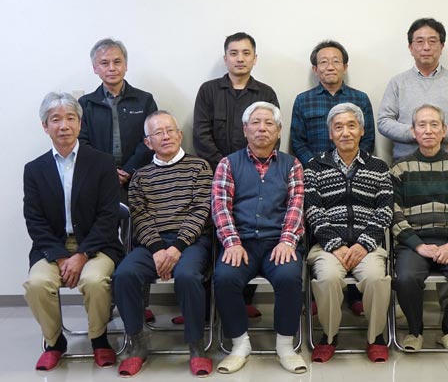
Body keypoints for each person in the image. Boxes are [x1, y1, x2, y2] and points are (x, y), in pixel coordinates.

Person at [23, 92, 124, 371]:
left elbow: (108, 216)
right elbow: (34, 220)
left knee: (94, 281)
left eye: (70, 118)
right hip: (52, 248)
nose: (64, 126)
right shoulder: (34, 169)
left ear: (80, 123)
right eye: (55, 120)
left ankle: (99, 339)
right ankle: (55, 342)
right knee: (36, 283)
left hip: (97, 245)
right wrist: (59, 256)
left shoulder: (102, 163)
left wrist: (82, 254)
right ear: (45, 126)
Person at [113, 111, 214, 377]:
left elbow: (201, 211)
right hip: (152, 245)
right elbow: (140, 217)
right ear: (148, 143)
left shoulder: (200, 167)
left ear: (180, 135)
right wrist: (158, 249)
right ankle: (137, 344)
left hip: (191, 242)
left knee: (188, 276)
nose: (166, 136)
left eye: (170, 130)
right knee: (124, 274)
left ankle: (196, 346)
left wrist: (176, 247)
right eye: (158, 133)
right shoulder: (140, 177)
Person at [212, 102, 307, 374]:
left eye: (269, 123)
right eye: (255, 122)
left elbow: (296, 206)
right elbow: (220, 206)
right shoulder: (228, 164)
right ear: (245, 129)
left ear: (278, 130)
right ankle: (240, 345)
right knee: (225, 278)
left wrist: (287, 241)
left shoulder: (292, 164)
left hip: (278, 242)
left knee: (289, 277)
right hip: (241, 243)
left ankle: (285, 346)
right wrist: (232, 242)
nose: (262, 128)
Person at [193, 32, 279, 318]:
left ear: (255, 58)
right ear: (225, 58)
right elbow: (201, 134)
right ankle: (208, 306)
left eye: (246, 53)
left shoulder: (265, 93)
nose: (240, 58)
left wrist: (249, 168)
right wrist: (228, 167)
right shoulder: (209, 91)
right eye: (234, 53)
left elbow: (272, 134)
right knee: (217, 233)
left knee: (252, 229)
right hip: (217, 176)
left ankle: (244, 300)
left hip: (258, 175)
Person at [290, 39, 374, 315]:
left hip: (354, 173)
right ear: (315, 69)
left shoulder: (361, 99)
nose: (330, 66)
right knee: (319, 227)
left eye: (336, 61)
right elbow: (297, 141)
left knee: (356, 223)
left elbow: (368, 139)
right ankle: (320, 293)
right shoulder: (303, 100)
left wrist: (351, 167)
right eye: (323, 62)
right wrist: (317, 168)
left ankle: (354, 294)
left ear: (345, 66)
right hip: (316, 177)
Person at [305, 103, 392, 363]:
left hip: (368, 246)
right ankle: (329, 336)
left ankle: (375, 337)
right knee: (328, 278)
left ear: (362, 130)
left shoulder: (378, 167)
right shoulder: (315, 166)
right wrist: (335, 244)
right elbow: (313, 210)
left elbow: (385, 210)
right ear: (330, 134)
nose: (345, 132)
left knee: (376, 278)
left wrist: (364, 244)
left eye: (351, 126)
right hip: (328, 246)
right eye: (338, 127)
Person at [390, 104, 448, 352]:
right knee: (406, 279)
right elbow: (394, 214)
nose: (428, 130)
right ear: (413, 131)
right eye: (422, 125)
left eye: (434, 125)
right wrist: (418, 245)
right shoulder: (399, 169)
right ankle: (415, 331)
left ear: (444, 130)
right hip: (414, 244)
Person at [378, 17, 448, 161]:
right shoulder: (397, 83)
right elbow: (384, 121)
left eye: (432, 41)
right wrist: (416, 133)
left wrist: (440, 133)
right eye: (420, 41)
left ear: (442, 46)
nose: (426, 47)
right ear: (410, 47)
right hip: (405, 164)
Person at [78, 38, 158, 203]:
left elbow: (152, 138)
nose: (112, 68)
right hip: (98, 178)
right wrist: (107, 171)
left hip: (140, 177)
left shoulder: (145, 100)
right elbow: (82, 142)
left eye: (117, 62)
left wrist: (129, 170)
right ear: (95, 68)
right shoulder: (85, 104)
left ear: (126, 65)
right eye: (104, 63)